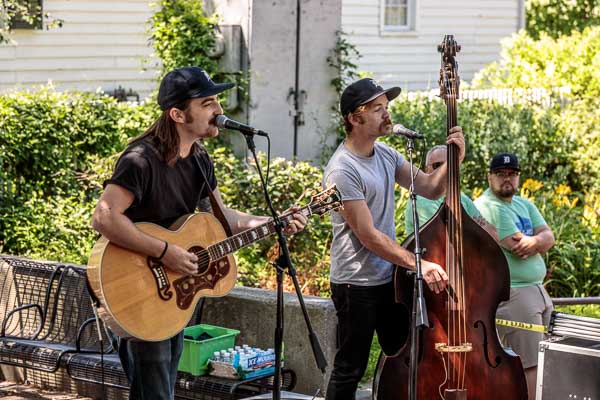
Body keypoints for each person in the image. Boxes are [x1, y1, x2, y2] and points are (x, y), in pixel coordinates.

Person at [91, 66, 307, 400]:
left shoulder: (200, 160)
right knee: (155, 390)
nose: (219, 110)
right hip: (132, 285)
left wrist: (272, 220)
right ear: (178, 113)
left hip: (171, 291)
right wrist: (166, 252)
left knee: (161, 387)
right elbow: (105, 217)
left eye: (217, 101)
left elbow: (223, 219)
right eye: (207, 103)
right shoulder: (141, 159)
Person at [322, 77, 465, 400]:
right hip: (354, 284)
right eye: (377, 109)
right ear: (354, 118)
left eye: (386, 108)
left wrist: (454, 158)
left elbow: (429, 187)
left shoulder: (385, 154)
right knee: (350, 367)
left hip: (388, 278)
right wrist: (419, 264)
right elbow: (369, 236)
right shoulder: (342, 170)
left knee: (402, 359)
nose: (387, 115)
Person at [474, 152, 555, 400]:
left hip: (538, 291)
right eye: (501, 174)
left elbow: (549, 236)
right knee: (529, 364)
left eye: (512, 174)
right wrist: (537, 241)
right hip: (515, 294)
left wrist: (537, 241)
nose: (507, 179)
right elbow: (515, 245)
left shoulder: (523, 204)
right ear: (490, 177)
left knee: (547, 361)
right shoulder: (487, 206)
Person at [404, 144, 498, 240]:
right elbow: (444, 240)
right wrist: (475, 227)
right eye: (438, 165)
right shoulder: (422, 197)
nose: (444, 171)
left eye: (450, 165)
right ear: (426, 170)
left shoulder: (462, 197)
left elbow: (493, 235)